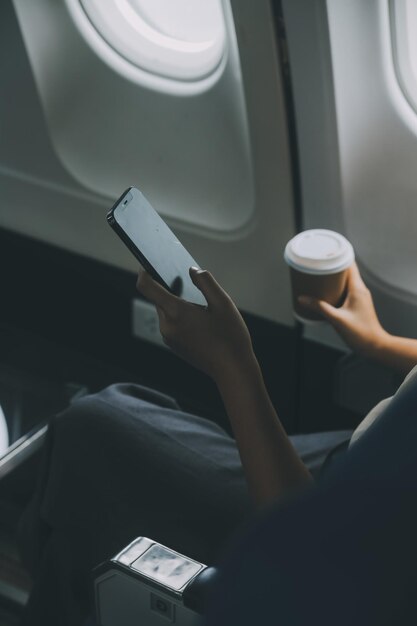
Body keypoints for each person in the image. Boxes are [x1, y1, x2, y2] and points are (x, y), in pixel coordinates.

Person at [18, 262, 417, 625]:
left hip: (348, 513)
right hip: (368, 446)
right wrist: (377, 343)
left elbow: (308, 557)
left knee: (94, 430)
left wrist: (233, 363)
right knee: (102, 461)